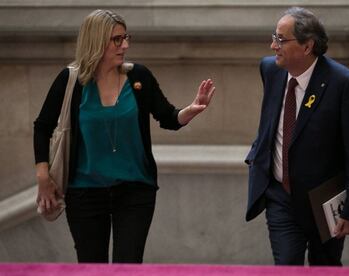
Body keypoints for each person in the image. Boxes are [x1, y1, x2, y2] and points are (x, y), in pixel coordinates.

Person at [33, 9, 215, 263]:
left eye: (126, 37)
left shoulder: (139, 77)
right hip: (85, 193)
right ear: (96, 41)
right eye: (117, 40)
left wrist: (191, 110)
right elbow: (42, 126)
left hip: (135, 191)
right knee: (91, 266)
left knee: (128, 266)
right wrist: (43, 176)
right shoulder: (71, 81)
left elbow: (168, 117)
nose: (125, 45)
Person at [245, 7, 349, 265]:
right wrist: (257, 154)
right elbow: (271, 122)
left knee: (325, 267)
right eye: (274, 37)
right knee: (286, 265)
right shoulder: (270, 70)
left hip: (324, 200)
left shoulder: (344, 84)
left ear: (307, 46)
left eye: (281, 39)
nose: (272, 45)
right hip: (280, 196)